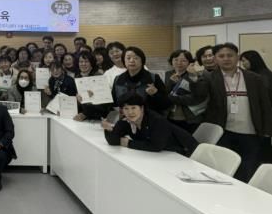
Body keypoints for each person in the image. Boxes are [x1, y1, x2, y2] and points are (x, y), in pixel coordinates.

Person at [204, 43, 272, 181]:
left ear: (237, 57)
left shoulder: (254, 78)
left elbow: (265, 105)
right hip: (224, 131)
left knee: (248, 169)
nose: (226, 59)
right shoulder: (209, 79)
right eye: (221, 56)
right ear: (216, 59)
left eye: (230, 55)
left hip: (250, 132)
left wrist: (267, 130)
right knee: (224, 169)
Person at [101, 93, 197, 156]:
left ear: (142, 108)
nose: (130, 112)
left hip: (185, 153)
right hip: (163, 155)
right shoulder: (126, 121)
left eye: (133, 108)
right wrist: (108, 129)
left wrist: (128, 143)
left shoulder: (156, 120)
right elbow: (113, 141)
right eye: (126, 109)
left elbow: (156, 146)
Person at [112, 47, 170, 114]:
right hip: (125, 118)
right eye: (128, 58)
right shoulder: (118, 79)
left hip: (149, 118)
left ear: (142, 60)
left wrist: (155, 94)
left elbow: (166, 104)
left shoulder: (153, 78)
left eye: (136, 58)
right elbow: (113, 103)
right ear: (124, 61)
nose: (132, 60)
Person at [164, 50, 208, 133]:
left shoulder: (196, 75)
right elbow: (164, 93)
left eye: (183, 60)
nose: (179, 63)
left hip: (190, 117)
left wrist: (171, 98)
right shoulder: (168, 74)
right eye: (176, 60)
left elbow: (197, 96)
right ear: (171, 61)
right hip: (170, 116)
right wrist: (170, 83)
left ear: (189, 62)